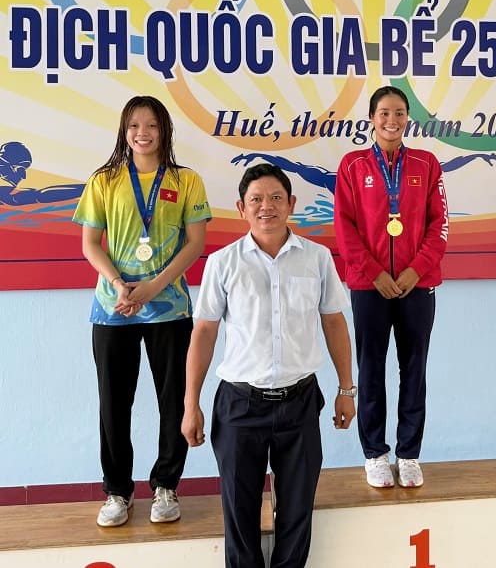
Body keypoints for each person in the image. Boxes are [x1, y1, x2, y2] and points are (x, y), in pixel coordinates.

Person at [181, 163, 356, 568]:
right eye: (257, 200)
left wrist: (347, 390)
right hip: (239, 406)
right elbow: (204, 334)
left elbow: (334, 322)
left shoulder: (317, 257)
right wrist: (192, 404)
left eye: (277, 198)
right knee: (240, 517)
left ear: (291, 204)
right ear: (241, 207)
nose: (267, 207)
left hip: (299, 402)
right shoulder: (223, 263)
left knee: (296, 514)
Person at [72, 95, 211, 527]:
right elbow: (90, 244)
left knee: (173, 401)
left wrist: (152, 287)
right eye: (134, 125)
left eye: (151, 125)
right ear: (124, 131)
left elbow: (195, 244)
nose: (142, 132)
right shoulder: (105, 180)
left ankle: (166, 487)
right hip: (114, 308)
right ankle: (117, 492)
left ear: (165, 130)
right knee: (114, 404)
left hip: (168, 307)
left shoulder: (186, 180)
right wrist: (120, 286)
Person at [334, 86, 448, 489]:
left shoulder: (427, 163)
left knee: (414, 370)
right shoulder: (352, 165)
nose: (392, 120)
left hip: (418, 285)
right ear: (371, 118)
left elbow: (440, 225)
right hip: (370, 287)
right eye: (384, 113)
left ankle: (409, 453)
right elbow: (344, 228)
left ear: (408, 118)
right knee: (372, 369)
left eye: (400, 113)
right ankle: (375, 454)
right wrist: (375, 273)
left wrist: (415, 271)